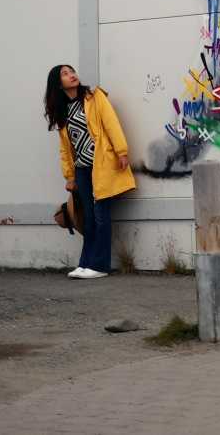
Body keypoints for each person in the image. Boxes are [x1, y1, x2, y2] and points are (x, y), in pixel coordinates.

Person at [44, 64, 135, 279]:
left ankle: (101, 266)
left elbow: (111, 124)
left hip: (101, 165)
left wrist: (122, 151)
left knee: (101, 214)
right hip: (82, 170)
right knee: (89, 218)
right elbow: (65, 149)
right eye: (65, 74)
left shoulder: (94, 97)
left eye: (72, 71)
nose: (71, 75)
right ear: (58, 83)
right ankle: (85, 263)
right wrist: (69, 176)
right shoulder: (63, 111)